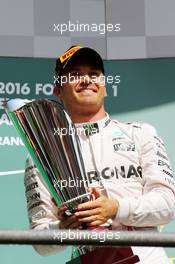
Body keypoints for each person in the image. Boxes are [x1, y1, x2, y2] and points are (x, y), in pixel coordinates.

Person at [24, 45, 175, 263]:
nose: (86, 80)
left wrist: (115, 208)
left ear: (104, 86)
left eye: (94, 74)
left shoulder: (141, 134)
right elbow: (40, 242)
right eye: (75, 75)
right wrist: (62, 229)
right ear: (58, 90)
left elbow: (168, 205)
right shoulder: (42, 155)